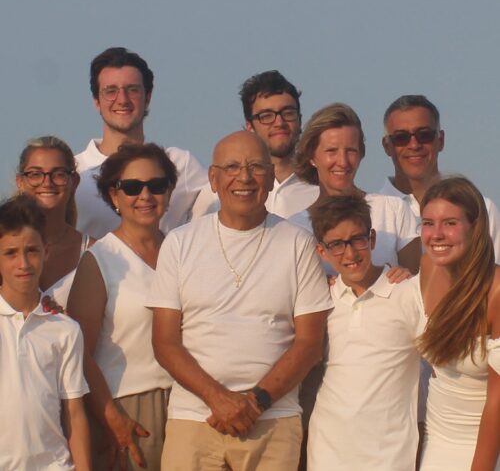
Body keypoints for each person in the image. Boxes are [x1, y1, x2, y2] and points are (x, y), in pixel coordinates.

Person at [149, 131, 332, 471]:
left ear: (271, 177)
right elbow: (165, 342)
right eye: (231, 167)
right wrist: (218, 400)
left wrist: (256, 403)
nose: (244, 178)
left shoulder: (297, 243)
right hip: (195, 419)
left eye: (256, 167)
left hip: (273, 421)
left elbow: (309, 343)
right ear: (213, 179)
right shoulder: (179, 243)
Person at [68, 142, 177, 470]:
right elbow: (79, 353)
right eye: (131, 187)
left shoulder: (184, 252)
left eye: (156, 185)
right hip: (128, 408)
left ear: (169, 192)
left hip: (188, 407)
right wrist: (110, 416)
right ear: (114, 196)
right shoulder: (99, 260)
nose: (145, 195)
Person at [307, 195, 423, 470]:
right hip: (327, 453)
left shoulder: (407, 292)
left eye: (357, 240)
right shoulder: (320, 299)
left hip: (390, 456)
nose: (350, 253)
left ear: (371, 239)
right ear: (321, 251)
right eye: (336, 245)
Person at [75, 46, 208, 239]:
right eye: (111, 91)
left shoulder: (180, 164)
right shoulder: (73, 173)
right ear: (96, 101)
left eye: (133, 90)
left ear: (148, 97)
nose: (122, 100)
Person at [0, 194, 91, 470]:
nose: (24, 263)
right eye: (10, 253)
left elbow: (74, 414)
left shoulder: (65, 329)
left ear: (46, 252)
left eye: (32, 250)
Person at [418, 176, 500, 470]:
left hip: (484, 450)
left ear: (476, 227)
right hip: (435, 444)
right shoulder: (428, 266)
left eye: (450, 223)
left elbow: (498, 402)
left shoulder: (497, 291)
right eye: (428, 223)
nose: (436, 234)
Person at [294, 102, 421, 273]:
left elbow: (416, 284)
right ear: (311, 157)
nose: (343, 161)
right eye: (331, 151)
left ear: (361, 153)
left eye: (351, 151)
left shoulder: (393, 210)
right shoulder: (295, 228)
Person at [381, 94, 500, 262]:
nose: (414, 145)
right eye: (401, 138)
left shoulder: (481, 209)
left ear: (441, 140)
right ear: (387, 146)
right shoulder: (372, 216)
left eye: (424, 135)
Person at [191, 70, 318, 218]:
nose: (279, 123)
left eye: (288, 113)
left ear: (300, 120)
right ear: (250, 126)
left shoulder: (321, 191)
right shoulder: (220, 192)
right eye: (266, 116)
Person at [15, 135, 93, 308]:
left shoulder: (96, 252)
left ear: (74, 182)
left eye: (58, 174)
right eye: (35, 174)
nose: (47, 182)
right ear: (20, 182)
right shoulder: (3, 245)